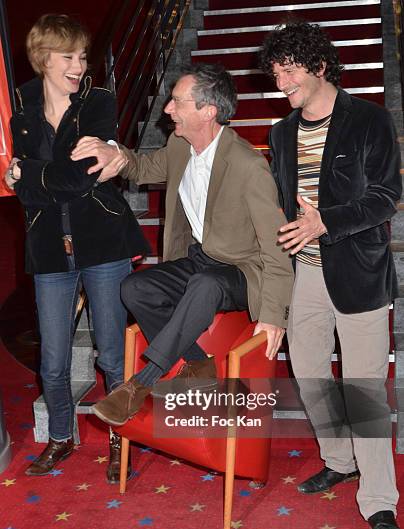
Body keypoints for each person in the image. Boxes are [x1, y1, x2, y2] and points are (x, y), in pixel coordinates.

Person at [70, 63, 294, 427]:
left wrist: (274, 315)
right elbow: (141, 168)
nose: (167, 109)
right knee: (136, 287)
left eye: (176, 102)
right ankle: (202, 368)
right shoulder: (179, 145)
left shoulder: (248, 166)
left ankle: (140, 385)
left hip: (242, 269)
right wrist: (116, 154)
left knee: (205, 284)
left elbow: (277, 245)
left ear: (208, 111)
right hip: (201, 258)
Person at [260, 21, 402, 529]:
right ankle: (339, 460)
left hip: (358, 274)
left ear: (319, 66)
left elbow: (386, 197)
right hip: (305, 276)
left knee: (364, 390)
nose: (281, 82)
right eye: (275, 72)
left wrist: (327, 221)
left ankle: (380, 503)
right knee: (312, 373)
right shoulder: (280, 133)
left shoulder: (369, 120)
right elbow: (280, 204)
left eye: (289, 70)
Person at [4, 14, 148, 482]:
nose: (80, 65)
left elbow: (84, 175)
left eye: (83, 56)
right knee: (52, 358)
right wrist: (36, 178)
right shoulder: (21, 105)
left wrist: (32, 176)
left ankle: (118, 437)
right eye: (69, 56)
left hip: (104, 243)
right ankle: (61, 438)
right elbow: (39, 185)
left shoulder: (99, 101)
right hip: (48, 247)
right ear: (44, 59)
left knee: (109, 353)